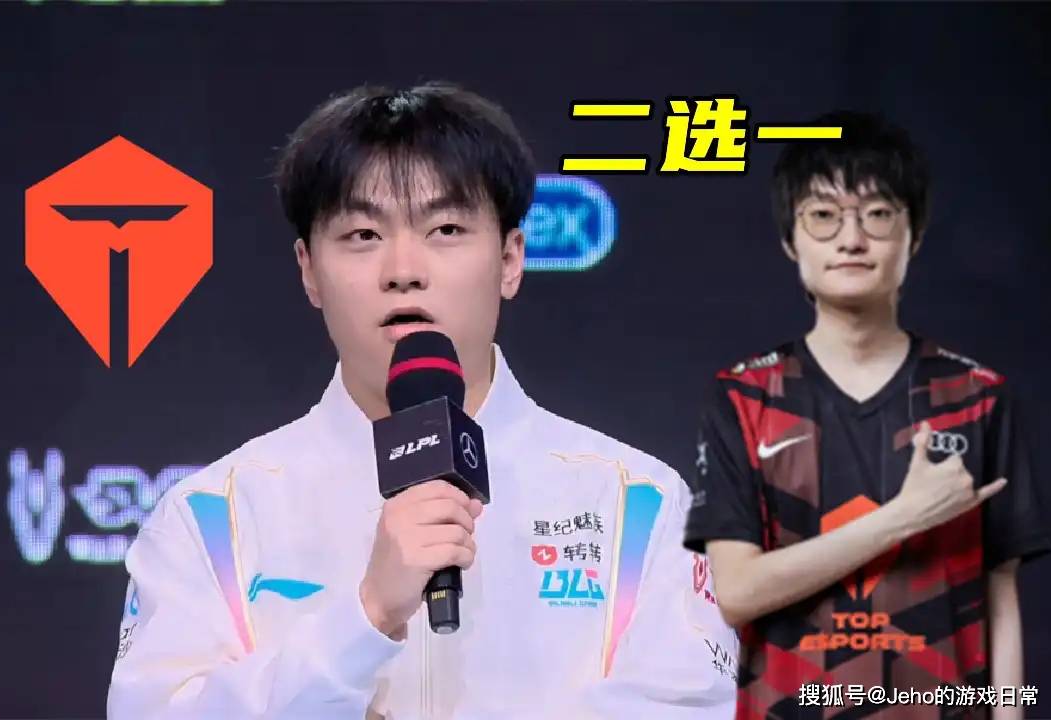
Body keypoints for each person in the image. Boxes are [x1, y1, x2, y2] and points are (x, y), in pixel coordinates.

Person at [106, 81, 738, 719]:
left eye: (446, 228)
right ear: (308, 271)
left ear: (510, 259)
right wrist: (366, 617)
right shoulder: (213, 518)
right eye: (362, 234)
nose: (403, 270)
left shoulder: (639, 506)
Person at [683, 111, 1051, 720]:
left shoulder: (977, 397)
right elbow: (737, 592)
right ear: (790, 239)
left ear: (915, 234)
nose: (851, 239)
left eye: (878, 214)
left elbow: (1001, 596)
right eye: (823, 216)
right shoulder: (745, 397)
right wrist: (903, 518)